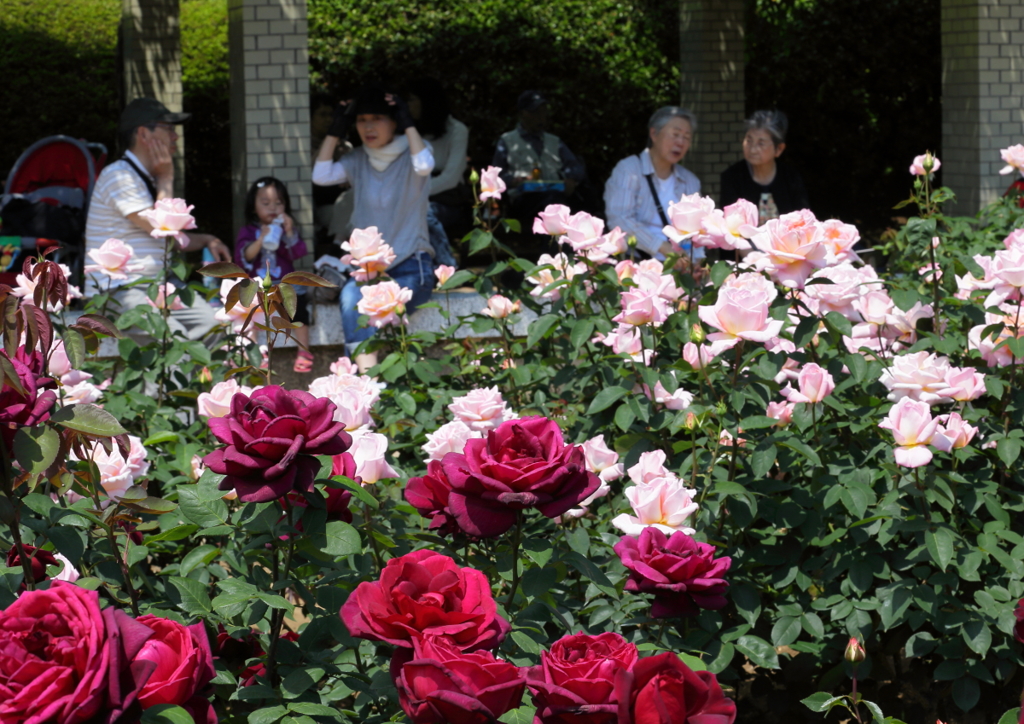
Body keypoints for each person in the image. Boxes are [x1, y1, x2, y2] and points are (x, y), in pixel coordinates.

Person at [312, 83, 435, 371]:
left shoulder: (415, 154)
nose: (368, 127)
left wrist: (408, 123)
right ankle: (369, 382)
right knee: (351, 301)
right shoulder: (357, 159)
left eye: (377, 119)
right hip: (369, 270)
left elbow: (424, 165)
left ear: (395, 123)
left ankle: (368, 382)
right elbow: (321, 175)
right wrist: (336, 128)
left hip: (411, 267)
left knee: (370, 310)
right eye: (361, 120)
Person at [84, 97, 231, 339]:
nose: (175, 137)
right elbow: (163, 228)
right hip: (119, 291)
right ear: (144, 133)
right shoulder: (119, 176)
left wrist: (207, 239)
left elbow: (168, 239)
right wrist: (166, 179)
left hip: (157, 286)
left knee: (217, 328)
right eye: (169, 129)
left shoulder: (142, 178)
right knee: (170, 340)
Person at [492, 90, 588, 252]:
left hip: (555, 198)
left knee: (556, 204)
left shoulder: (554, 141)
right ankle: (557, 257)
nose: (542, 116)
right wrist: (514, 181)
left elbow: (575, 167)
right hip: (522, 203)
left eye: (544, 111)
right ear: (524, 114)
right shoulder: (507, 141)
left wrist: (571, 178)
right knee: (554, 206)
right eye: (536, 112)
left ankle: (557, 257)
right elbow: (497, 175)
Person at [235, 177, 314, 373]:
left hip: (283, 284)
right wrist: (261, 238)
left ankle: (304, 351)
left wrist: (288, 231)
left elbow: (298, 252)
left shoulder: (287, 229)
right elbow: (243, 258)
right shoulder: (248, 231)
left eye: (279, 203)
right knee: (249, 312)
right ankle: (254, 352)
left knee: (298, 308)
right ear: (253, 207)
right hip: (258, 285)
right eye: (266, 203)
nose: (273, 207)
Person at [604, 106, 702, 262]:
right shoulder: (628, 170)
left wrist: (697, 262)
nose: (680, 142)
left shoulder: (690, 180)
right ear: (654, 134)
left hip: (681, 267)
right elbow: (619, 219)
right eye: (675, 134)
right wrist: (663, 247)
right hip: (638, 263)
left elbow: (697, 230)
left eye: (687, 137)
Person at [407, 77, 467, 267]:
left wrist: (413, 194)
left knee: (424, 213)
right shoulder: (411, 131)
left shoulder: (457, 131)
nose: (408, 106)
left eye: (411, 100)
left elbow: (451, 178)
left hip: (445, 199)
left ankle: (447, 269)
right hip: (412, 197)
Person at [720, 110, 809, 225]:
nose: (752, 149)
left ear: (779, 149)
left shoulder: (791, 178)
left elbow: (803, 220)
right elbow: (729, 225)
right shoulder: (732, 178)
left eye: (761, 143)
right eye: (749, 140)